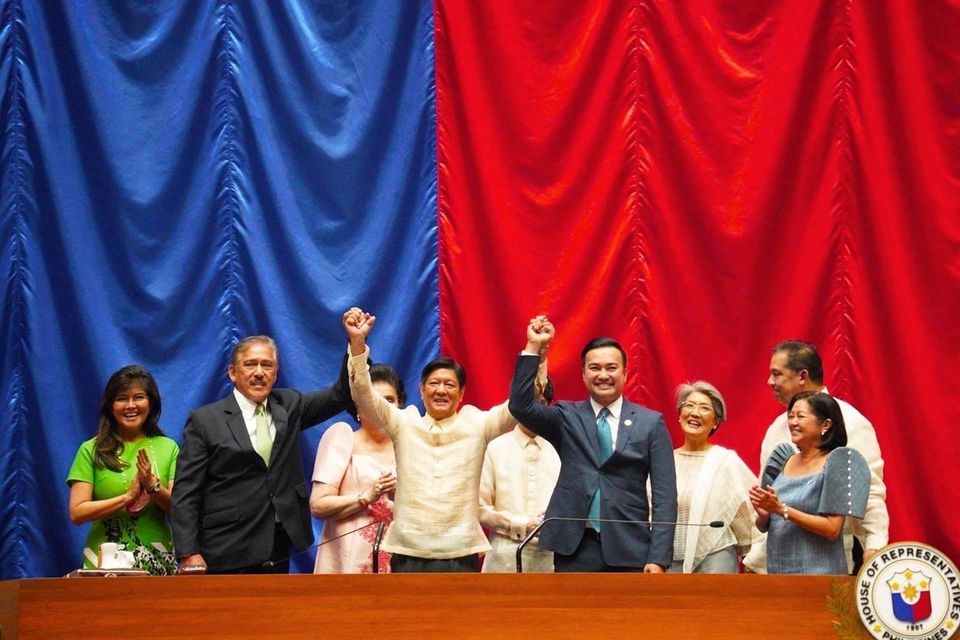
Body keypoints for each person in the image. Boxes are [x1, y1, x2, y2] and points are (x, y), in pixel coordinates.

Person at [343, 307, 532, 572]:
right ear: (421, 390)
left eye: (449, 384)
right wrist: (358, 343)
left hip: (460, 552)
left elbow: (519, 407)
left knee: (458, 615)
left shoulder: (478, 424)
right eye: (433, 383)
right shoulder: (403, 422)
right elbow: (363, 395)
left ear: (462, 393)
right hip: (408, 551)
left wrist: (534, 350)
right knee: (408, 616)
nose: (441, 390)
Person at [508, 315, 677, 572]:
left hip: (631, 548)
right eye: (594, 368)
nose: (603, 375)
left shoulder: (651, 423)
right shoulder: (567, 416)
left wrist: (659, 558)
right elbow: (520, 406)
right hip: (574, 549)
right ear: (584, 374)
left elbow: (665, 497)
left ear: (625, 372)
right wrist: (534, 348)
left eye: (611, 368)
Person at [171, 334, 352, 574]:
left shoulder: (288, 405)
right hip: (225, 547)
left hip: (277, 546)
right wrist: (188, 552)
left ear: (275, 374)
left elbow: (341, 395)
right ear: (233, 372)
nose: (259, 372)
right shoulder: (205, 420)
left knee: (273, 612)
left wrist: (356, 343)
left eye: (267, 365)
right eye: (250, 364)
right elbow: (186, 493)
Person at [742, 340, 888, 574]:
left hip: (823, 562)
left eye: (776, 374)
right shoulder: (777, 427)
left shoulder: (851, 422)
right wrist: (757, 550)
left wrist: (874, 546)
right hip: (772, 563)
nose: (770, 382)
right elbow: (768, 499)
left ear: (802, 376)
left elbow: (869, 494)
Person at [66, 365, 179, 575]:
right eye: (121, 398)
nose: (130, 405)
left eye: (138, 397)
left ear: (151, 403)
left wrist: (153, 487)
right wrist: (127, 498)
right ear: (110, 405)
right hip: (104, 562)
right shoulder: (90, 449)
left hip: (157, 559)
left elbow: (180, 510)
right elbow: (77, 512)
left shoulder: (169, 447)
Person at [749, 391, 869, 574]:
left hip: (820, 575)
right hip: (778, 572)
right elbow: (764, 525)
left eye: (801, 416)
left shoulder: (837, 463)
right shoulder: (782, 460)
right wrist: (765, 513)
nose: (792, 422)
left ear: (826, 424)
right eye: (791, 416)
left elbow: (832, 528)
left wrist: (782, 509)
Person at [309, 364, 405, 573]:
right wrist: (367, 496)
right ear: (358, 409)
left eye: (389, 400)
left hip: (399, 560)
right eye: (372, 399)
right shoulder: (342, 438)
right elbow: (318, 505)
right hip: (347, 561)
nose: (381, 406)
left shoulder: (409, 446)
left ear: (400, 406)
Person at [669, 381, 755, 573]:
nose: (695, 413)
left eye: (704, 408)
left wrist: (753, 558)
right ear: (679, 415)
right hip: (667, 560)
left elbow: (747, 515)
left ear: (716, 421)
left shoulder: (726, 461)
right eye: (689, 406)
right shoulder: (665, 461)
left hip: (715, 557)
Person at [479, 378, 561, 573]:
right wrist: (521, 524)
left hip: (553, 561)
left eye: (540, 404)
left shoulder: (562, 448)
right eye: (527, 403)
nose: (532, 411)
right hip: (502, 560)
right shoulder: (495, 447)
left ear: (550, 406)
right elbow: (480, 509)